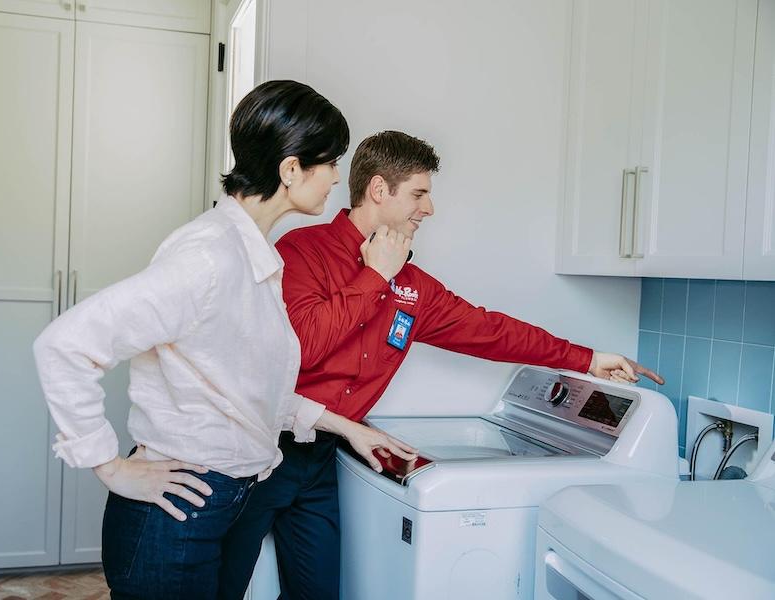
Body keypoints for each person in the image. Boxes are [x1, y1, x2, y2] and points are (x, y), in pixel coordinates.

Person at [217, 130, 665, 600]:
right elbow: (303, 345)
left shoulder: (413, 287)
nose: (428, 209)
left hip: (328, 454)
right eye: (419, 193)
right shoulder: (301, 252)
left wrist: (588, 359)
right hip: (263, 449)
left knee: (317, 593)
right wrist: (376, 276)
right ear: (378, 190)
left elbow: (489, 330)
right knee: (220, 586)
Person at [32, 85, 415, 600]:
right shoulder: (211, 257)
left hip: (221, 501)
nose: (335, 180)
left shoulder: (253, 255)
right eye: (331, 163)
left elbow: (248, 392)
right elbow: (65, 344)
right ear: (291, 169)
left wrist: (350, 429)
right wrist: (111, 467)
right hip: (176, 514)